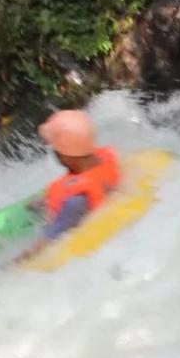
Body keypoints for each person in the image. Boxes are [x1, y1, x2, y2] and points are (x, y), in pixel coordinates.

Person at [15, 109, 119, 262]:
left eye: (54, 150)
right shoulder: (106, 159)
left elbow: (49, 240)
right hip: (92, 202)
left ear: (65, 155)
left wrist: (16, 263)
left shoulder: (75, 201)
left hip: (74, 220)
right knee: (37, 204)